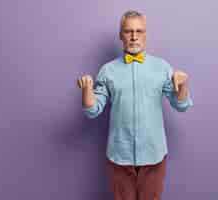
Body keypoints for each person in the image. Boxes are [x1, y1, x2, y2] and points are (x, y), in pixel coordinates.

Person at [77, 10, 193, 200]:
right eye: (128, 31)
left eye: (139, 31)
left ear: (146, 34)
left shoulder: (162, 67)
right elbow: (92, 110)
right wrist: (87, 89)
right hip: (119, 156)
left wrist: (182, 86)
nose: (133, 36)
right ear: (120, 35)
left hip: (153, 155)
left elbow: (181, 105)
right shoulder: (107, 71)